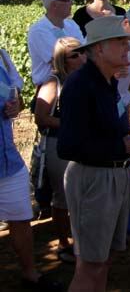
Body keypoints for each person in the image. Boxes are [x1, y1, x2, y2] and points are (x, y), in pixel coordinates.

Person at [57, 16, 130, 292]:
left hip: (116, 175)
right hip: (94, 180)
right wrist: (121, 147)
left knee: (105, 259)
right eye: (120, 42)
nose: (127, 47)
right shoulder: (80, 84)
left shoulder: (108, 82)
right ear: (99, 48)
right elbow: (68, 146)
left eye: (127, 41)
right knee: (90, 265)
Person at [0, 47, 64, 291]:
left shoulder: (2, 58)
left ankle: (30, 275)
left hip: (9, 160)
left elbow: (17, 98)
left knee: (21, 218)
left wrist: (15, 105)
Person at [33, 37, 86, 264]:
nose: (81, 57)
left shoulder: (85, 79)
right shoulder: (53, 82)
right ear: (62, 60)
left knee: (82, 192)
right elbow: (40, 117)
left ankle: (80, 239)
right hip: (59, 145)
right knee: (63, 196)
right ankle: (64, 243)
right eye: (75, 55)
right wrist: (70, 124)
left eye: (83, 52)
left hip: (82, 143)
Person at [28, 0, 85, 88]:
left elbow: (84, 50)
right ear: (54, 5)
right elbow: (59, 61)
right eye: (67, 0)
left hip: (75, 83)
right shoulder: (39, 31)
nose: (71, 3)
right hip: (51, 87)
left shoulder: (71, 24)